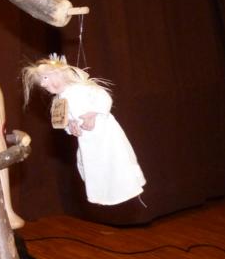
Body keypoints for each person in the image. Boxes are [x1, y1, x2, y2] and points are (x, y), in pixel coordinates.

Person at [22, 55, 146, 206]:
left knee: (114, 160)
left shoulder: (82, 89)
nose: (43, 83)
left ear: (59, 73)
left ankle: (125, 188)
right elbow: (65, 119)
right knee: (95, 167)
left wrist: (93, 114)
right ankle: (103, 194)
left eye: (45, 78)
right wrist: (71, 125)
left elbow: (104, 98)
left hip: (105, 134)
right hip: (87, 140)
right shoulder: (60, 100)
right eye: (42, 80)